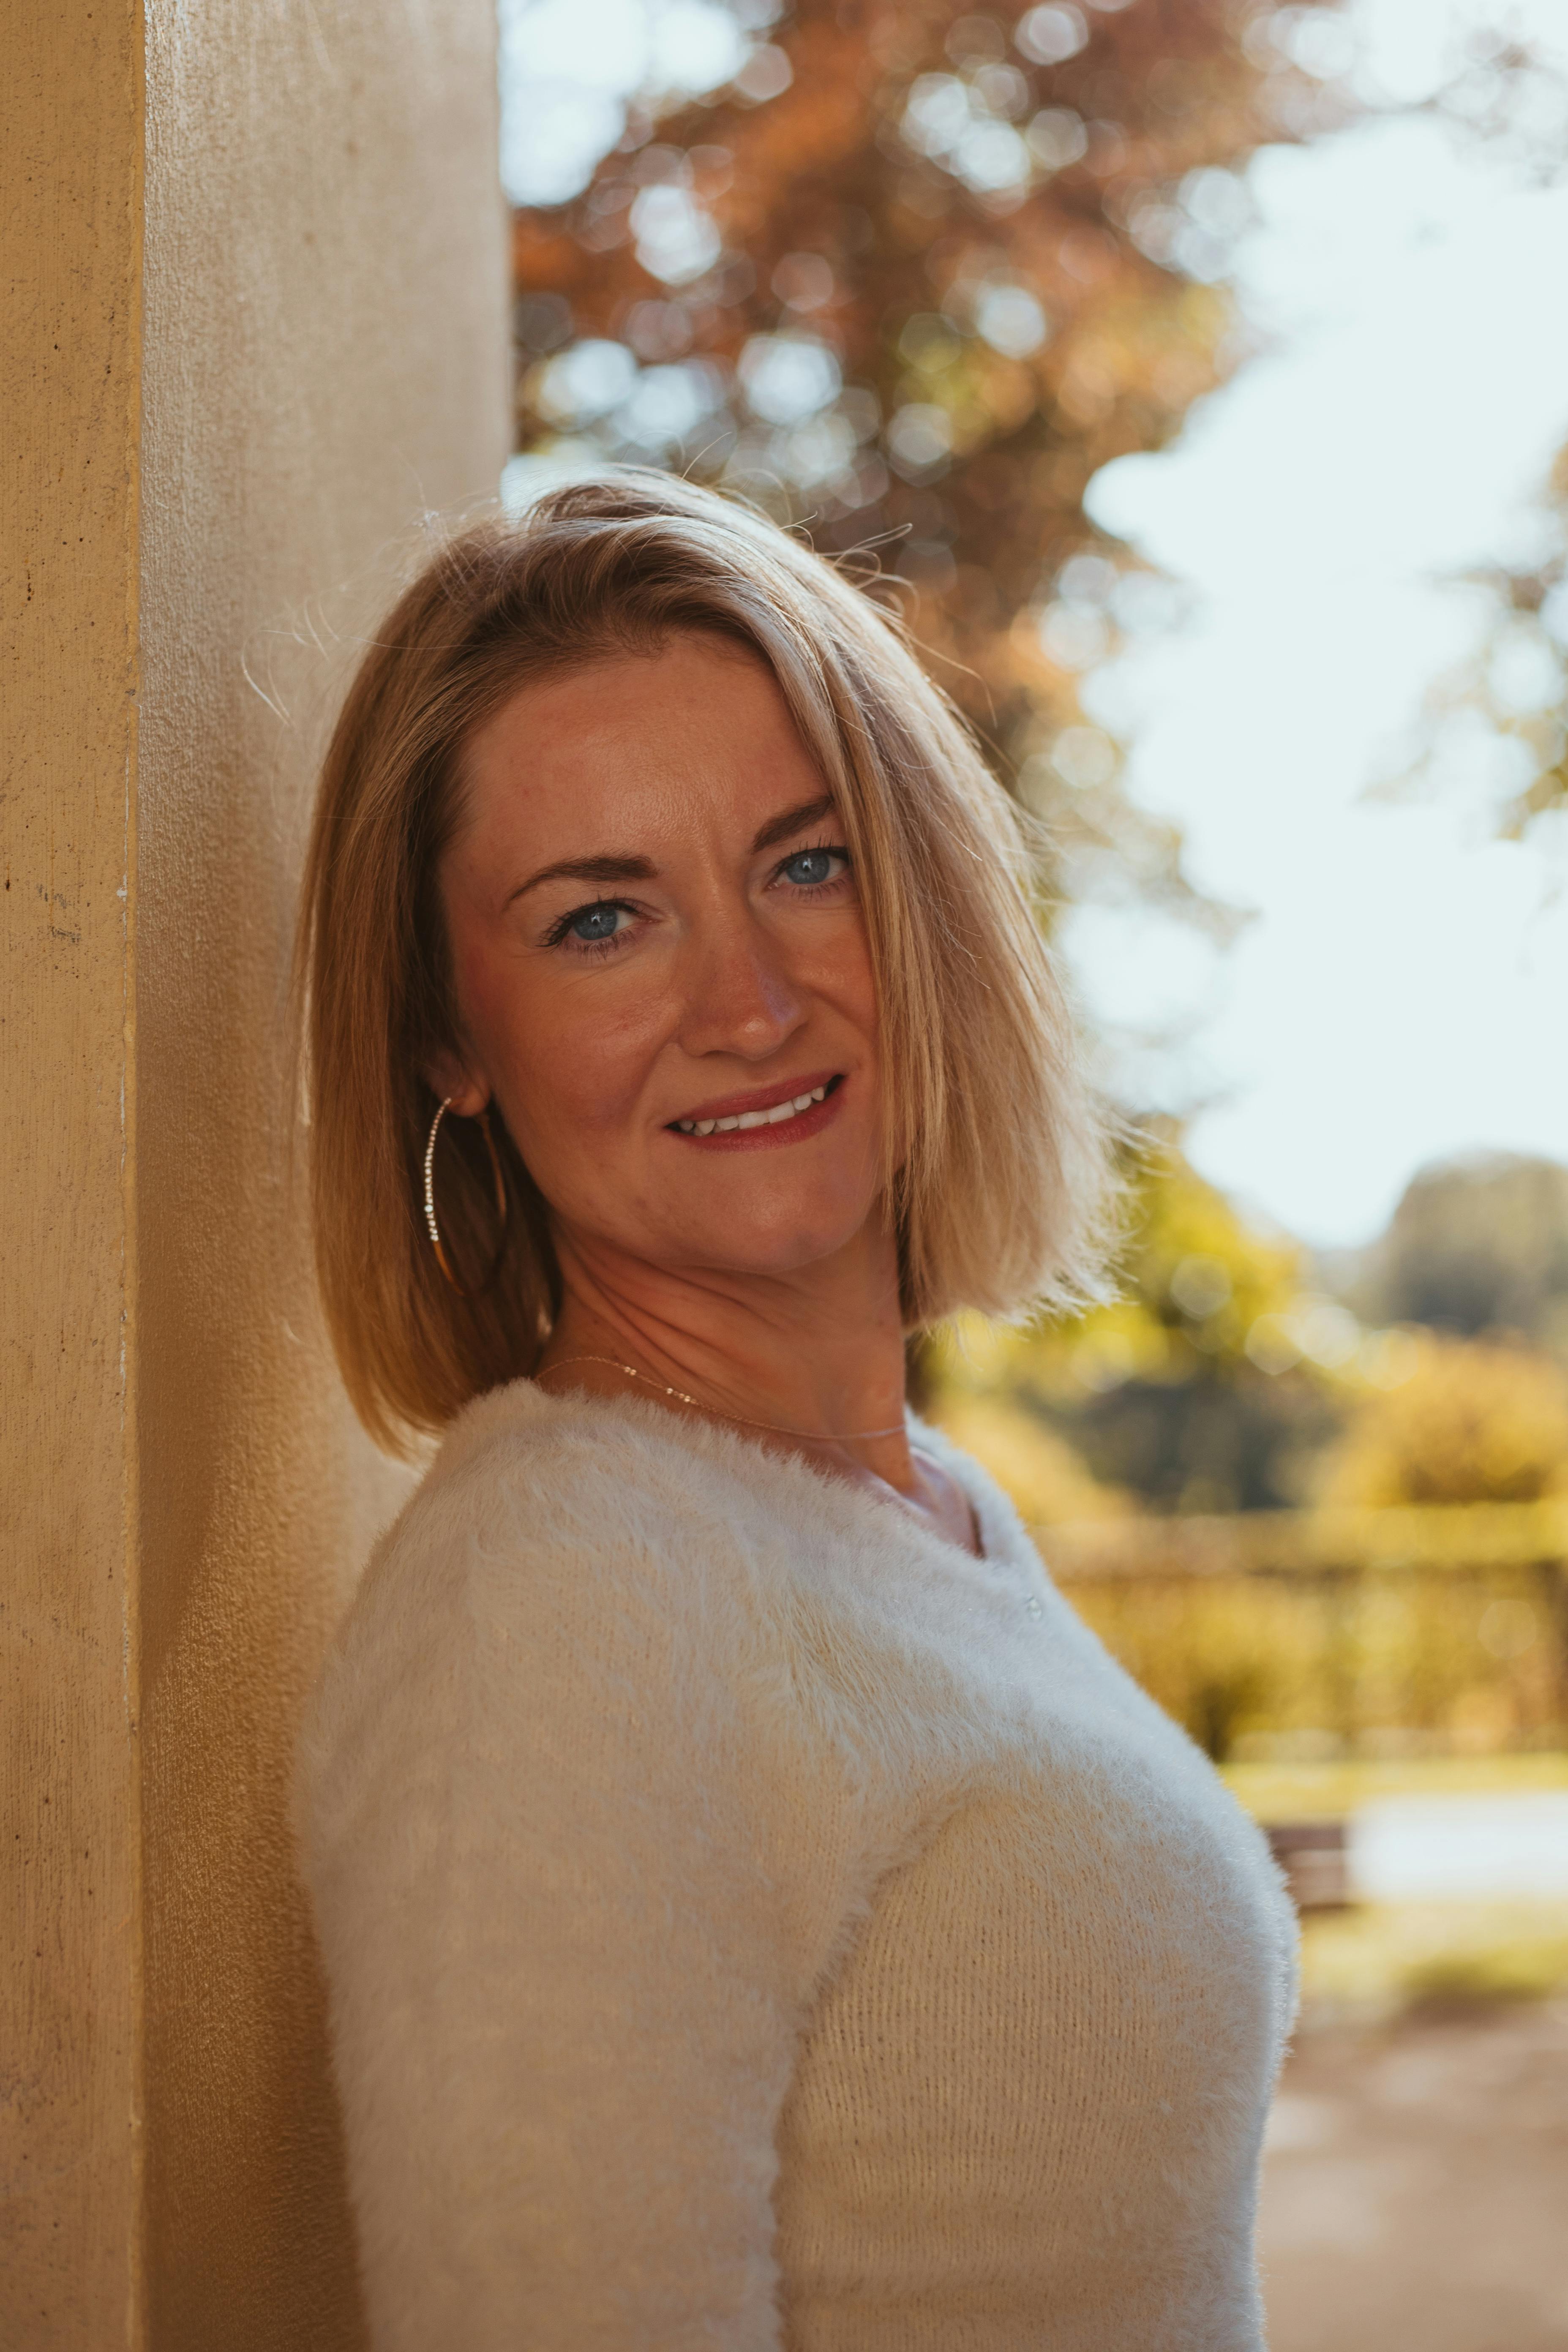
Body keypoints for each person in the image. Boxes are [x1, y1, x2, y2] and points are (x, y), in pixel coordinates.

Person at [293, 471, 1296, 2352]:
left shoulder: (928, 1514)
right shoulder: (562, 1592)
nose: (747, 1001)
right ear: (449, 1041)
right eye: (601, 920)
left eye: (806, 863)